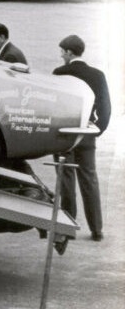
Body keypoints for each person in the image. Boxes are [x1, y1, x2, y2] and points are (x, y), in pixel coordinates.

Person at [52, 34, 112, 241]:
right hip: (87, 132)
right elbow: (105, 108)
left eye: (62, 51)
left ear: (69, 52)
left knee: (66, 178)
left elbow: (54, 105)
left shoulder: (60, 73)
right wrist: (97, 129)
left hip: (64, 132)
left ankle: (69, 227)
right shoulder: (97, 75)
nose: (61, 55)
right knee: (89, 179)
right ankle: (97, 229)